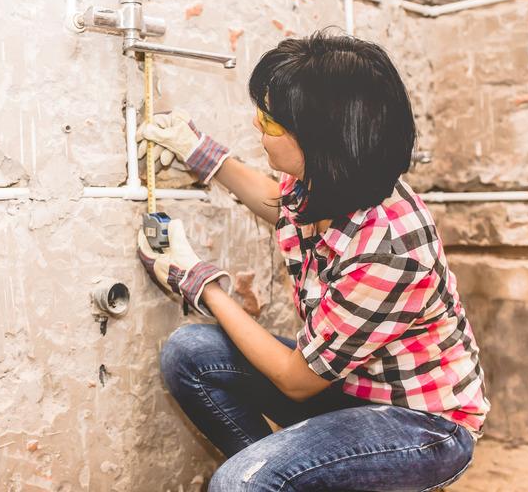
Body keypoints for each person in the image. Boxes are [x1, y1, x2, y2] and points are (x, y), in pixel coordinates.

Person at [136, 31, 489, 492]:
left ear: (322, 140)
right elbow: (279, 205)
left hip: (421, 424)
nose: (257, 126)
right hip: (350, 386)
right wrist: (201, 153)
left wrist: (202, 284)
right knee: (191, 355)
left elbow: (295, 381)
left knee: (239, 485)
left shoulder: (389, 251)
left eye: (271, 121)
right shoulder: (339, 179)